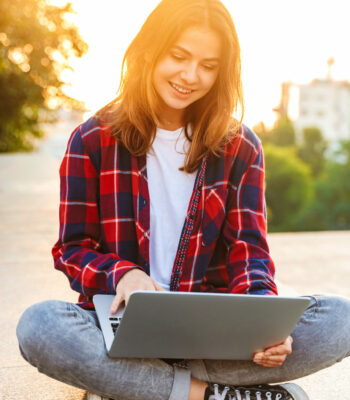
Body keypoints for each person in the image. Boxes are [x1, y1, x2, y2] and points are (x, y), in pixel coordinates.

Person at [16, 1, 350, 399]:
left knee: (341, 319)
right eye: (179, 57)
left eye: (208, 66)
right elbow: (72, 249)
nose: (190, 76)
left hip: (213, 334)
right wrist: (124, 274)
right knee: (41, 327)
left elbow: (249, 251)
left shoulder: (241, 147)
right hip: (121, 330)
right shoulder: (91, 140)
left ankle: (145, 387)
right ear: (150, 51)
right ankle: (213, 394)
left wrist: (264, 326)